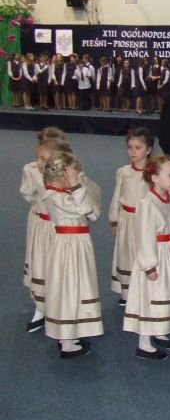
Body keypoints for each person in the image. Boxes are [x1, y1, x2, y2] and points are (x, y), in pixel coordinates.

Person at [123, 155, 170, 360]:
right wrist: (149, 265)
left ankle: (160, 331)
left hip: (169, 252)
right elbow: (144, 235)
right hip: (155, 255)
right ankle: (144, 344)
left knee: (166, 293)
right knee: (151, 297)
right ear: (155, 178)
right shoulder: (147, 203)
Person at [42, 151, 103, 358]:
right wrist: (76, 184)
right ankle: (66, 341)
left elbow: (93, 212)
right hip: (68, 248)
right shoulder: (54, 195)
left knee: (77, 287)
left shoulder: (65, 194)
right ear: (64, 174)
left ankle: (73, 331)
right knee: (67, 290)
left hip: (77, 246)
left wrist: (79, 183)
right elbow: (84, 207)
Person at [20, 131, 69, 333]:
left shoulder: (67, 172)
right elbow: (27, 193)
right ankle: (40, 308)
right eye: (38, 157)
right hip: (41, 224)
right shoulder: (31, 170)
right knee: (39, 263)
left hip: (60, 229)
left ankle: (61, 307)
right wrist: (39, 205)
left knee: (59, 266)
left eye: (43, 159)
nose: (39, 162)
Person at [108, 128, 153, 305]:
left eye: (138, 148)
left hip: (144, 221)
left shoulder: (153, 173)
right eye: (130, 147)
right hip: (126, 220)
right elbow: (117, 197)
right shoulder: (124, 172)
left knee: (143, 253)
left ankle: (144, 291)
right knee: (126, 254)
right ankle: (127, 292)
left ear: (148, 150)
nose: (133, 152)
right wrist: (114, 220)